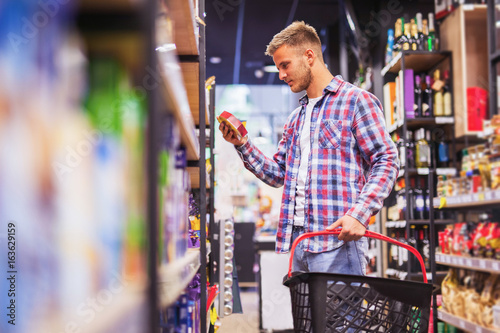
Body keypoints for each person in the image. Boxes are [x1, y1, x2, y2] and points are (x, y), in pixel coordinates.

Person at [219, 21, 399, 276]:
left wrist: (359, 214)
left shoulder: (357, 101)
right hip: (299, 245)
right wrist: (243, 144)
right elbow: (278, 173)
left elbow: (387, 159)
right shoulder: (295, 119)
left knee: (341, 318)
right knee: (306, 318)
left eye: (285, 65)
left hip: (339, 243)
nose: (281, 74)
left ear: (309, 56)